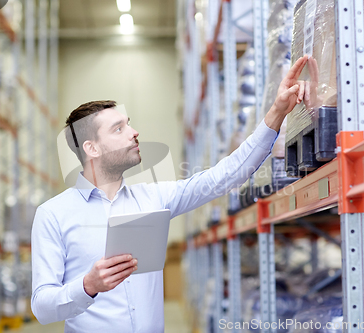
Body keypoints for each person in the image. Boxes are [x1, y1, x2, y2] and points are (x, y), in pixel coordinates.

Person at [31, 56, 309, 332]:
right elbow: (42, 307)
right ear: (92, 148)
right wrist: (87, 286)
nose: (135, 132)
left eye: (129, 123)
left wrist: (276, 113)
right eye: (119, 129)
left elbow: (227, 175)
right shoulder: (53, 214)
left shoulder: (154, 198)